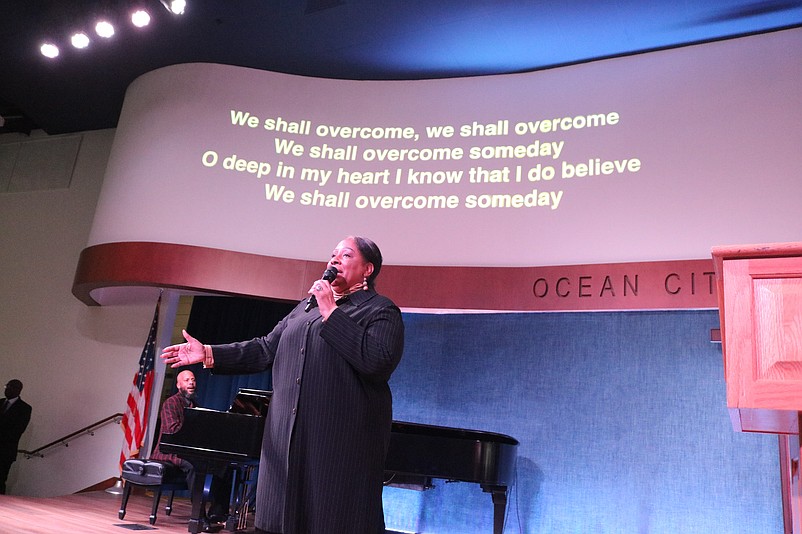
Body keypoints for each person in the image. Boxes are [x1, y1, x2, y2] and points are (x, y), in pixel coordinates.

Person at [161, 235, 405, 534]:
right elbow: (265, 349)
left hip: (339, 443)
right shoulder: (305, 308)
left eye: (345, 255)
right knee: (279, 518)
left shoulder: (380, 310)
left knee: (334, 518)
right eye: (332, 255)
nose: (334, 260)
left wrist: (331, 311)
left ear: (368, 269)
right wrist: (209, 353)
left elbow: (377, 363)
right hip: (286, 438)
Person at [150, 370, 230, 528]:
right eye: (187, 380)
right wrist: (195, 430)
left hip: (187, 451)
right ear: (179, 385)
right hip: (167, 452)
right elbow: (171, 431)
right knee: (194, 466)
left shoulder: (195, 405)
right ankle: (198, 517)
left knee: (223, 465)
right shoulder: (170, 403)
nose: (191, 383)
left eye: (193, 380)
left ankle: (217, 513)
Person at [0, 379, 32, 495]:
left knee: (0, 479)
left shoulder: (24, 408)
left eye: (11, 387)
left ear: (18, 390)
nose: (7, 389)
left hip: (5, 451)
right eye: (6, 386)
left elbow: (18, 430)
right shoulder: (0, 402)